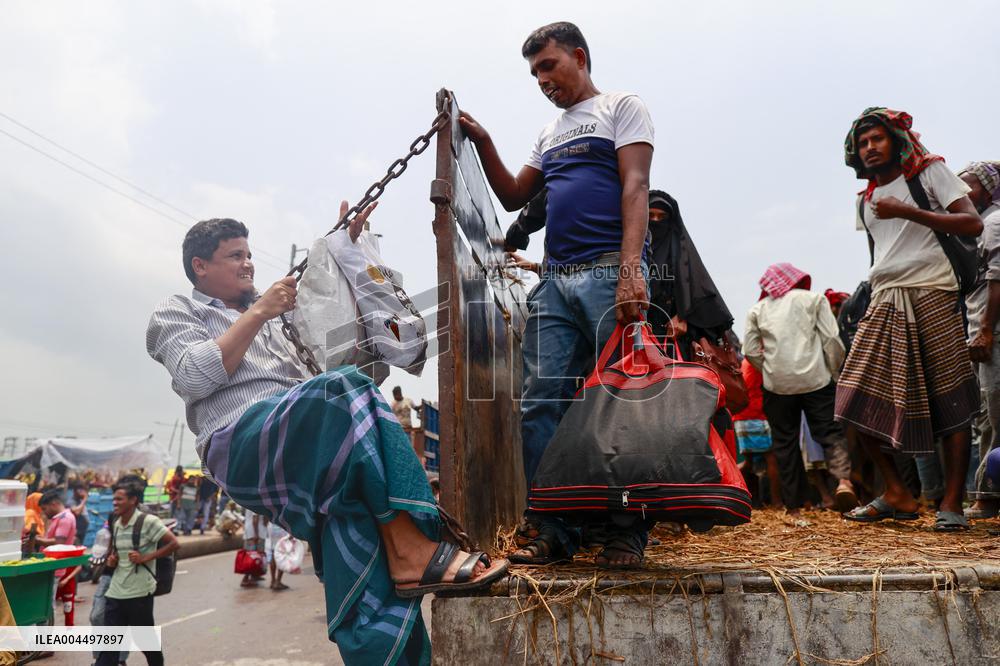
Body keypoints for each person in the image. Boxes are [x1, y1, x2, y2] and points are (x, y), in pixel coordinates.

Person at [146, 214, 507, 665]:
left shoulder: (281, 315)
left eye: (250, 254)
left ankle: (401, 607)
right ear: (200, 266)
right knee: (344, 388)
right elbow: (194, 376)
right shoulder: (179, 311)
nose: (249, 265)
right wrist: (260, 313)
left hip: (308, 447)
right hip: (242, 442)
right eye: (235, 256)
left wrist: (342, 248)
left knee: (362, 553)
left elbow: (348, 340)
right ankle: (414, 546)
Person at [459, 21, 654, 568]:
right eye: (534, 73)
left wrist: (630, 270)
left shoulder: (622, 107)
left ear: (579, 57)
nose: (543, 79)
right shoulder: (548, 134)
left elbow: (635, 187)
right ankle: (553, 529)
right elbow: (515, 193)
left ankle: (625, 531)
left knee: (616, 399)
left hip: (607, 271)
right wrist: (485, 142)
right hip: (554, 280)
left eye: (549, 66)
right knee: (540, 404)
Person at [836, 108, 982, 531]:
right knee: (852, 400)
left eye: (877, 139)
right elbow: (880, 255)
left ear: (896, 141)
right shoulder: (864, 201)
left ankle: (952, 502)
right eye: (863, 143)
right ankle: (898, 492)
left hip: (934, 290)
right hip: (885, 297)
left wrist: (906, 211)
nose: (870, 147)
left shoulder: (930, 172)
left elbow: (971, 223)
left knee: (951, 399)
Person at [743, 263, 857, 511]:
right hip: (816, 380)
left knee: (785, 443)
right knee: (830, 434)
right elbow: (831, 340)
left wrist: (770, 370)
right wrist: (835, 372)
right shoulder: (814, 299)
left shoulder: (757, 309)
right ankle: (843, 481)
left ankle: (794, 505)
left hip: (777, 386)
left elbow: (750, 351)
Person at [95, 481, 178, 666]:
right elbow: (116, 552)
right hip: (116, 591)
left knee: (145, 642)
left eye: (119, 499)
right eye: (113, 499)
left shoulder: (148, 521)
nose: (114, 503)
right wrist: (112, 560)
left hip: (139, 592)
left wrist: (146, 557)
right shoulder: (115, 522)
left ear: (133, 500)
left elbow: (174, 544)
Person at [960, 161, 1000, 520]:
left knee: (992, 414)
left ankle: (988, 497)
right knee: (985, 416)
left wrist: (986, 330)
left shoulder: (993, 223)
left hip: (993, 333)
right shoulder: (979, 225)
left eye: (967, 184)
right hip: (981, 329)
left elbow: (997, 280)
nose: (960, 191)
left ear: (987, 188)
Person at [732, 359, 783, 509]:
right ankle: (777, 503)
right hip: (756, 414)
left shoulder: (747, 360)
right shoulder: (759, 359)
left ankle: (735, 492)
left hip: (743, 415)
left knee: (749, 463)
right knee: (772, 459)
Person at [241, 510, 266, 588]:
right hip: (255, 533)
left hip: (251, 532)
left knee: (253, 556)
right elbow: (255, 519)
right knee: (251, 557)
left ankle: (254, 575)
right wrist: (256, 534)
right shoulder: (257, 503)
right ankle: (246, 578)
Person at [266, 519, 290, 591]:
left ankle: (273, 580)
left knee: (273, 552)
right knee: (282, 554)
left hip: (272, 527)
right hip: (281, 527)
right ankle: (278, 581)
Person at [66, 480, 90, 546]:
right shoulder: (71, 501)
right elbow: (77, 512)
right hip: (76, 531)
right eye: (81, 490)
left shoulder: (79, 500)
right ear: (75, 491)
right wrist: (85, 499)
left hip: (82, 529)